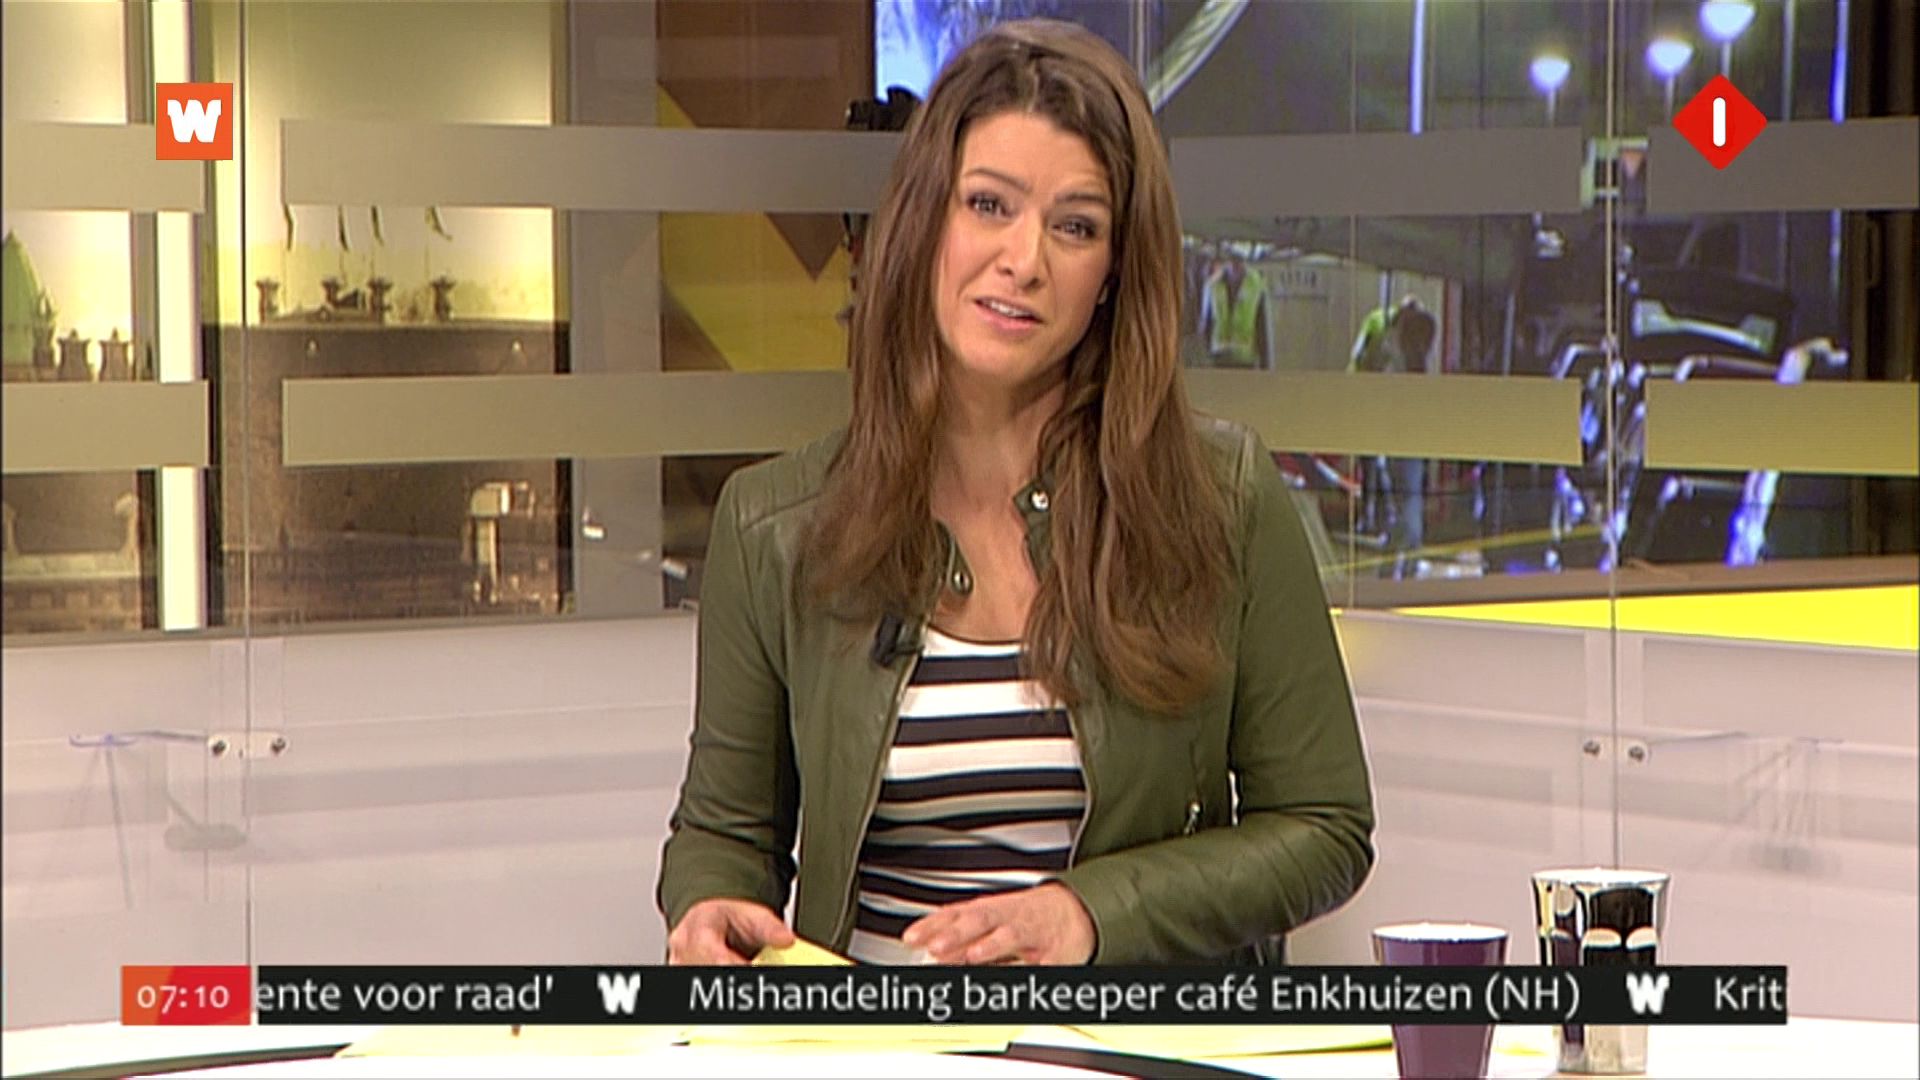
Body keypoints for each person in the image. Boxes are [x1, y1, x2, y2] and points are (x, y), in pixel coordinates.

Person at [658, 19, 1374, 967]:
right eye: (988, 205)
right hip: (871, 1032)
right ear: (923, 223)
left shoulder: (1221, 497)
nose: (1024, 260)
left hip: (1124, 1034)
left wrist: (1090, 915)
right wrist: (709, 907)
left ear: (1113, 272)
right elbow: (724, 834)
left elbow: (1324, 826)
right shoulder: (773, 526)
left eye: (1075, 226)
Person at [1349, 296, 1437, 576]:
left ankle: (1397, 565)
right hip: (1402, 440)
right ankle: (1401, 564)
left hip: (1396, 439)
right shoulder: (1399, 359)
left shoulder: (1396, 354)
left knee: (1403, 506)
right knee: (1407, 506)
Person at [1199, 248, 1272, 368]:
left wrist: (1265, 363)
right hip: (1219, 356)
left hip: (1245, 358)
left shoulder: (1256, 285)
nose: (1235, 265)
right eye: (1232, 260)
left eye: (1239, 260)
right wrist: (1205, 356)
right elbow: (1206, 323)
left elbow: (1262, 326)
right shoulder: (1213, 285)